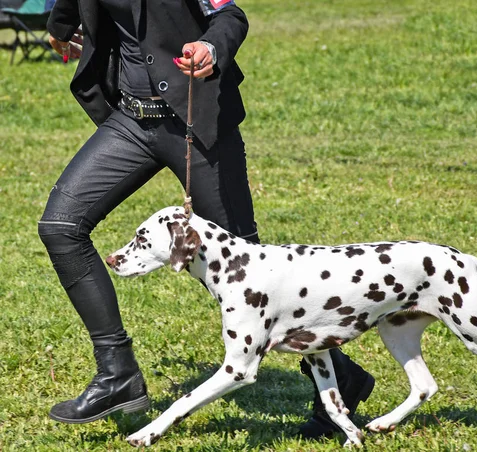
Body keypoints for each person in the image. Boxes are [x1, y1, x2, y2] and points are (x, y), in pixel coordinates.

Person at [39, 0, 374, 439]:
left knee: (249, 273)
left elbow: (231, 15)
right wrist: (60, 27)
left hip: (198, 122)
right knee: (60, 226)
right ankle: (117, 373)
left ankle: (341, 377)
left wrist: (210, 48)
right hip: (130, 121)